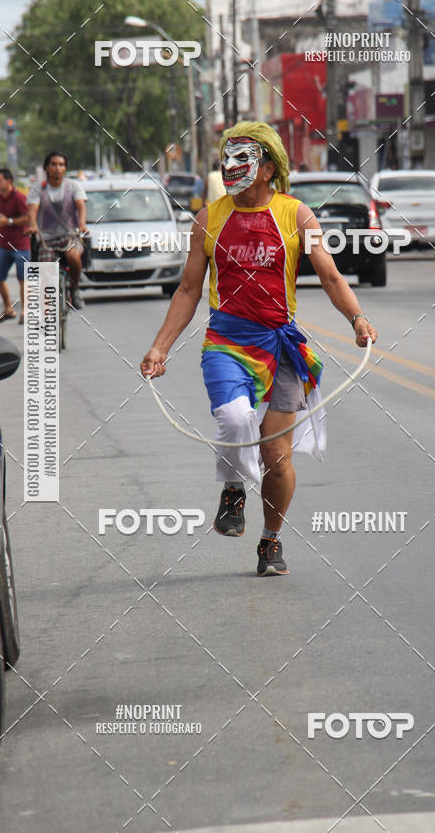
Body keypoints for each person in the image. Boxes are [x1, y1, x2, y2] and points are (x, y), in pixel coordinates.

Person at [141, 121, 377, 577]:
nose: (231, 166)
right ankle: (232, 487)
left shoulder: (298, 216)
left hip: (281, 345)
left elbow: (329, 275)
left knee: (277, 456)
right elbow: (189, 290)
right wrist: (159, 347)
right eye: (226, 158)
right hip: (226, 342)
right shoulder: (208, 220)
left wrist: (357, 318)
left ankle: (271, 540)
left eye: (242, 158)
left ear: (268, 168)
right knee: (232, 419)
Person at [26, 151, 88, 309]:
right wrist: (32, 225)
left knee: (74, 256)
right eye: (53, 164)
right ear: (47, 167)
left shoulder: (73, 186)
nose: (57, 168)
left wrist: (82, 224)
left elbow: (81, 206)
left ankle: (74, 290)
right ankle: (48, 314)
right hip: (46, 239)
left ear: (65, 168)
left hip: (70, 236)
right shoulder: (38, 189)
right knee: (45, 272)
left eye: (61, 165)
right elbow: (33, 210)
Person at [0, 167, 30, 324]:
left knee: (23, 280)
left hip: (21, 244)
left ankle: (25, 311)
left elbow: (28, 218)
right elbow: (1, 222)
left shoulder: (19, 198)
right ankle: (8, 308)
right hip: (4, 245)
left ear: (9, 181)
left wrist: (9, 221)